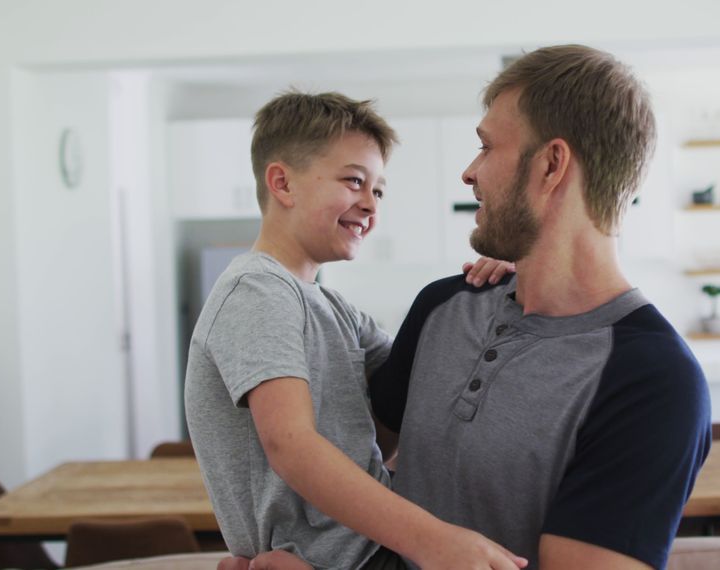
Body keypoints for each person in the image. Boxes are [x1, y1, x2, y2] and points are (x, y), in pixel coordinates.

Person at [368, 45, 712, 570]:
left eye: (485, 147)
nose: (469, 172)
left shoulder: (655, 380)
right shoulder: (443, 306)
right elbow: (354, 462)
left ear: (551, 165)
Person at [184, 91, 526, 570]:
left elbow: (406, 395)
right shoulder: (255, 291)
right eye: (353, 182)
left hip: (364, 551)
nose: (370, 205)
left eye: (378, 191)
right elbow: (292, 446)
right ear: (282, 183)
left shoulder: (333, 308)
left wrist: (504, 276)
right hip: (342, 560)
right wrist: (432, 540)